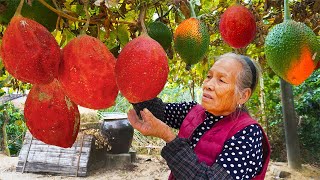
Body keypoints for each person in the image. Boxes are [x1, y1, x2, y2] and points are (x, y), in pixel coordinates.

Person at [127, 52, 270, 180]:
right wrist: (130, 82)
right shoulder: (193, 111)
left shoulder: (248, 133)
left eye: (221, 80)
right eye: (209, 76)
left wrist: (169, 137)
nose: (208, 85)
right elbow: (156, 111)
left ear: (243, 96)